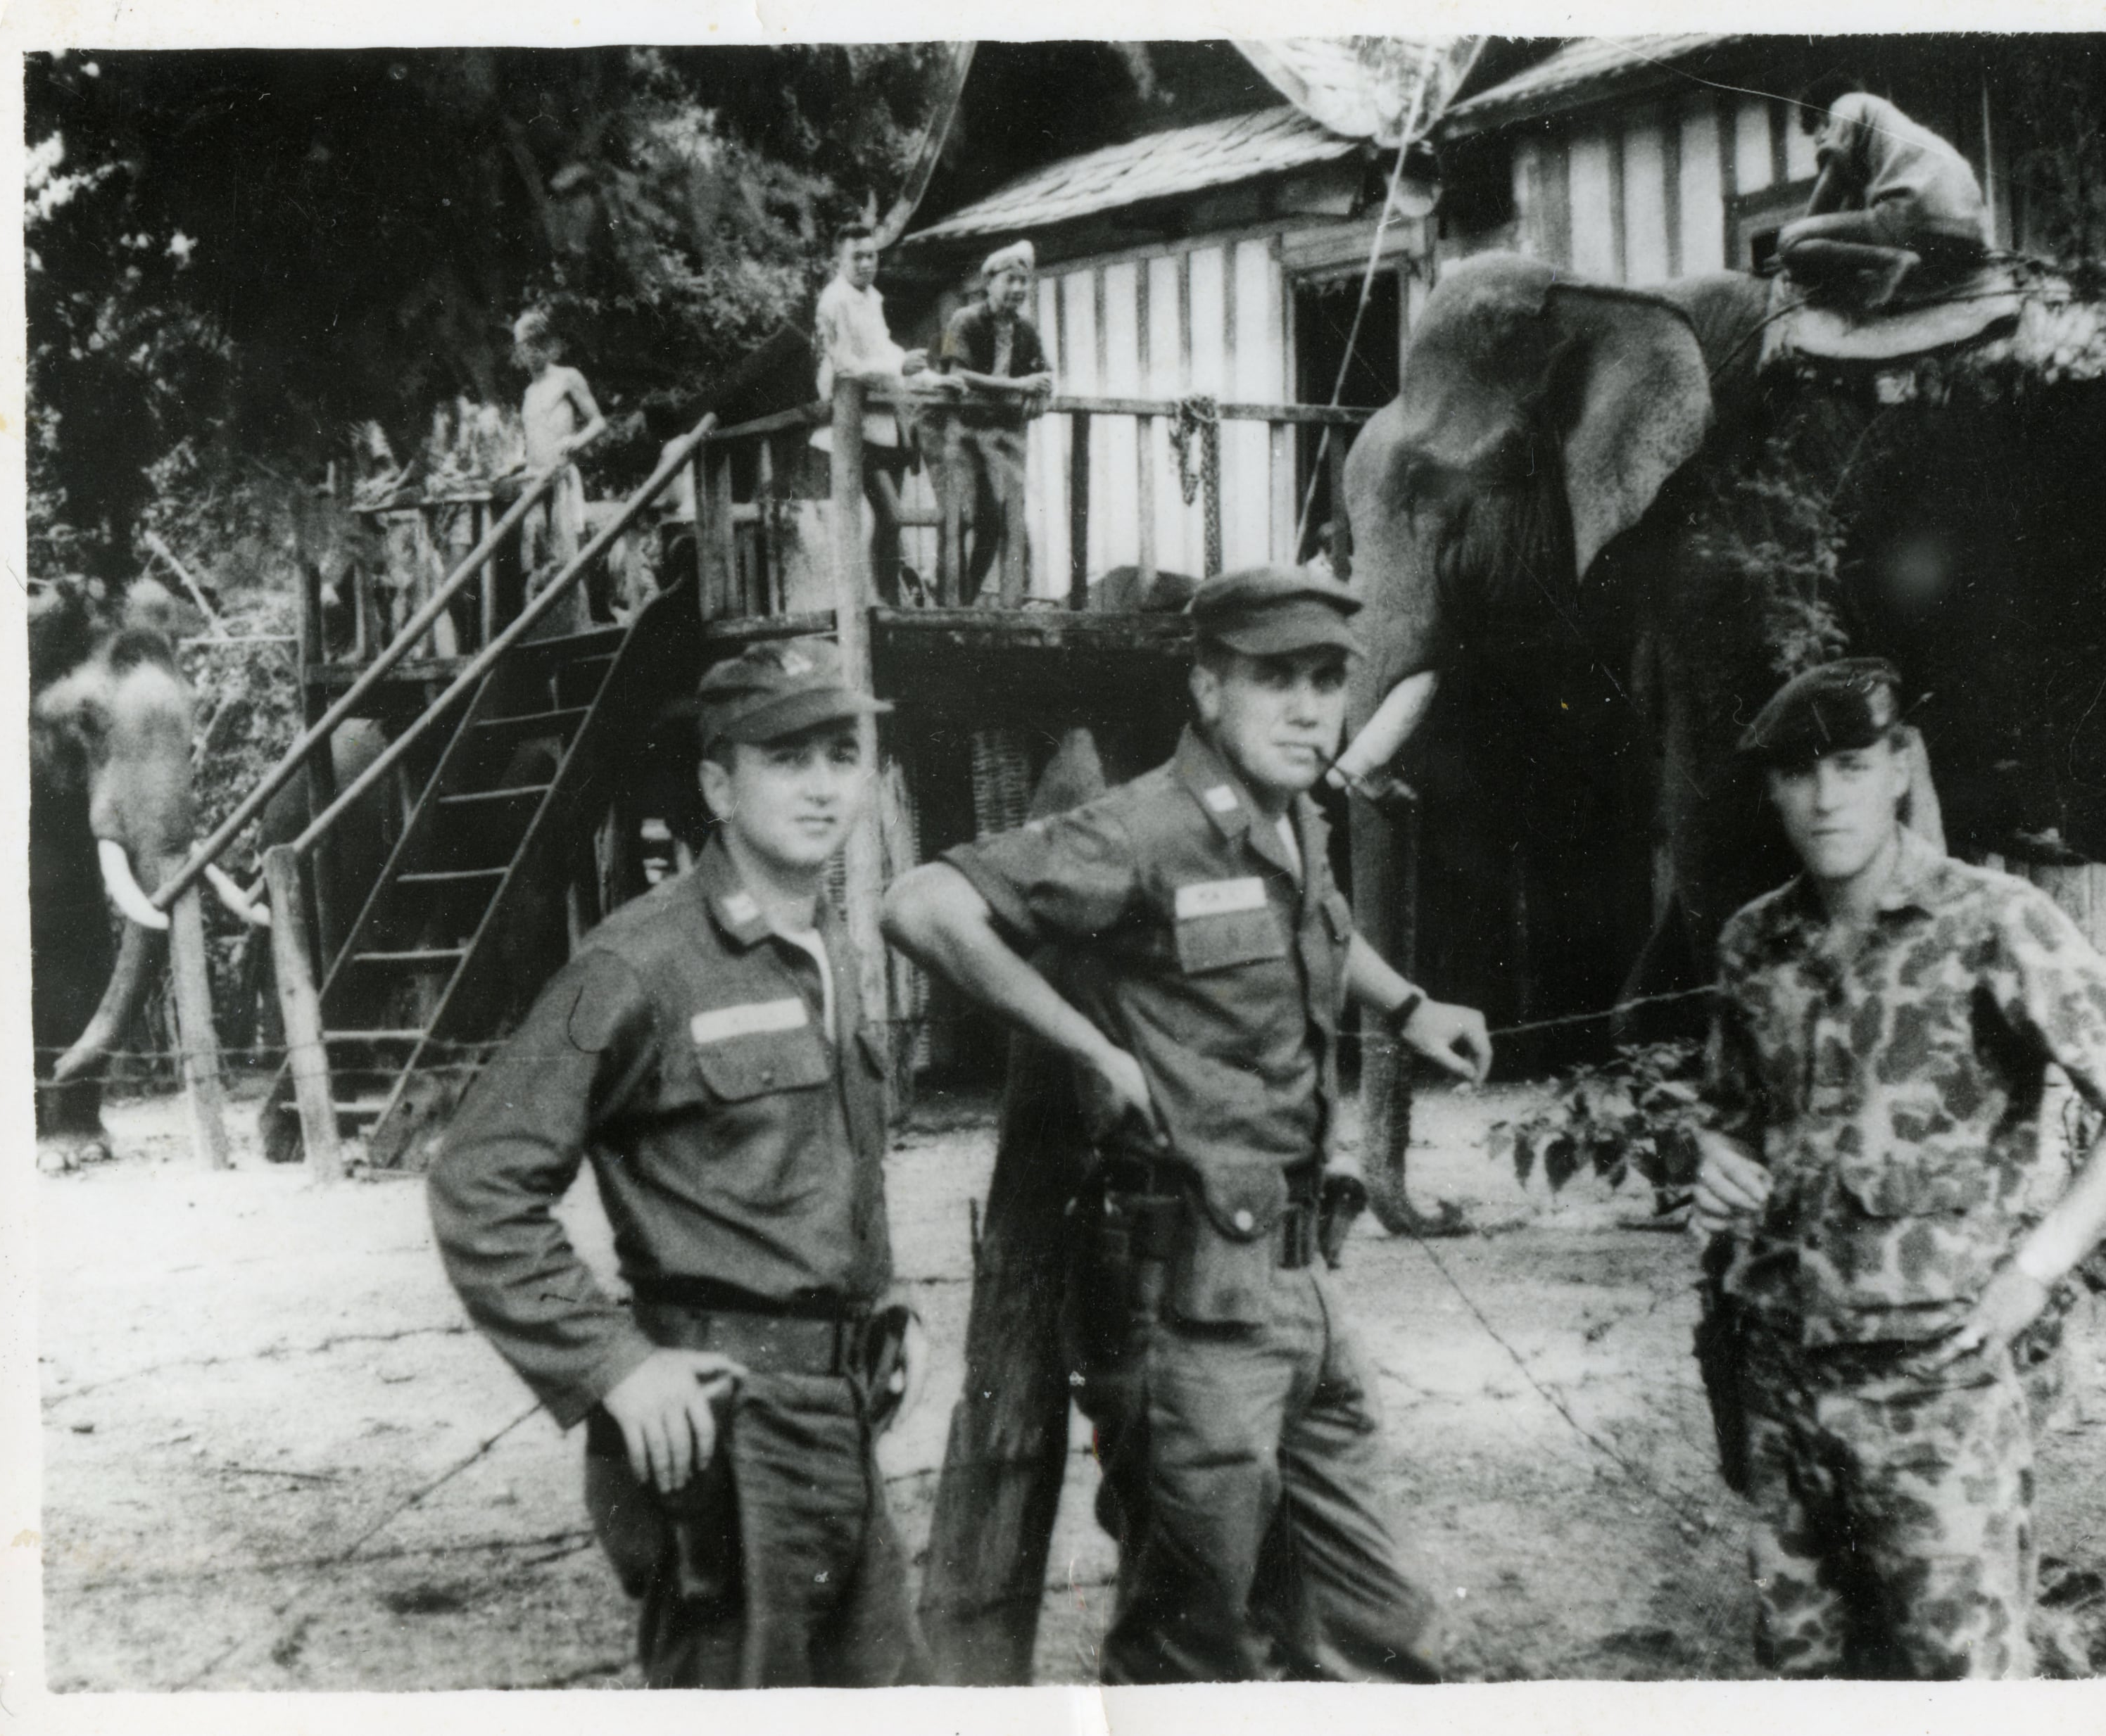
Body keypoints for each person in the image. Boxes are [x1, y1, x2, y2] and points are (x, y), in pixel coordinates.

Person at [884, 565, 1493, 1684]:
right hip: (1186, 1306)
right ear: (1210, 687)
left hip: (1306, 1291)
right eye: (1277, 680)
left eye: (1326, 680)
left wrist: (1410, 1005)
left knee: (1384, 1635)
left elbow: (1316, 928)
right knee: (1190, 1652)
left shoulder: (1294, 819)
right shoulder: (1142, 831)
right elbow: (921, 904)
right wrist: (1089, 1044)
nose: (1310, 707)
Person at [1689, 657, 2106, 1680]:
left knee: (1960, 1672)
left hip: (1937, 1385)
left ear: (1896, 766)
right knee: (1806, 1669)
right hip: (1783, 1382)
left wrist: (2040, 1265)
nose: (1826, 796)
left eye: (1849, 763)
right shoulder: (1757, 941)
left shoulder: (1991, 920)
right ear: (1773, 788)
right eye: (1798, 772)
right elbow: (1732, 1123)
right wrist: (1716, 1161)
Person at [427, 644, 924, 1688]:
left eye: (844, 751)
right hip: (724, 1431)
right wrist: (612, 1363)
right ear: (716, 783)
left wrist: (888, 1295)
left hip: (835, 1416)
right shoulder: (639, 960)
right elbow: (478, 1179)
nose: (827, 783)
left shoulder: (825, 935)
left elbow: (806, 1165)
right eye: (788, 756)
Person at [1777, 76, 1992, 310]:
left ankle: (1895, 261)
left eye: (1816, 135)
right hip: (1967, 233)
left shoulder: (1845, 105)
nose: (1820, 142)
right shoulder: (1887, 128)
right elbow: (1851, 212)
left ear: (1820, 118)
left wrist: (1797, 248)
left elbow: (1832, 184)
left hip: (1914, 214)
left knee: (1790, 238)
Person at [812, 220, 928, 604]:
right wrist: (898, 369)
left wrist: (928, 375)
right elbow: (844, 366)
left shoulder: (871, 298)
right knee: (891, 515)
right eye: (856, 257)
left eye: (871, 255)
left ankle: (888, 602)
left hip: (884, 422)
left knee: (889, 523)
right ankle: (885, 604)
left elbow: (884, 350)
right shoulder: (834, 301)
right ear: (838, 261)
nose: (866, 263)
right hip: (853, 426)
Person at [936, 239, 1055, 604]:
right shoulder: (966, 320)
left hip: (1002, 436)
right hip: (961, 432)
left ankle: (967, 601)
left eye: (1023, 281)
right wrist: (1018, 385)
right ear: (989, 283)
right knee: (959, 519)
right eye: (1010, 280)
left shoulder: (1026, 330)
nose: (1018, 289)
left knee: (996, 522)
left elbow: (1044, 375)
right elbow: (961, 373)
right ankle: (947, 604)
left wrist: (1040, 396)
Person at [510, 308, 609, 630]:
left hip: (561, 479)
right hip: (534, 482)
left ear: (544, 344)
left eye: (532, 344)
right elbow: (531, 440)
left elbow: (598, 422)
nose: (528, 352)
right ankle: (542, 629)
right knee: (536, 562)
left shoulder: (567, 377)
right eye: (522, 346)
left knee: (566, 557)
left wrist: (575, 441)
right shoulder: (528, 392)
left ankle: (576, 628)